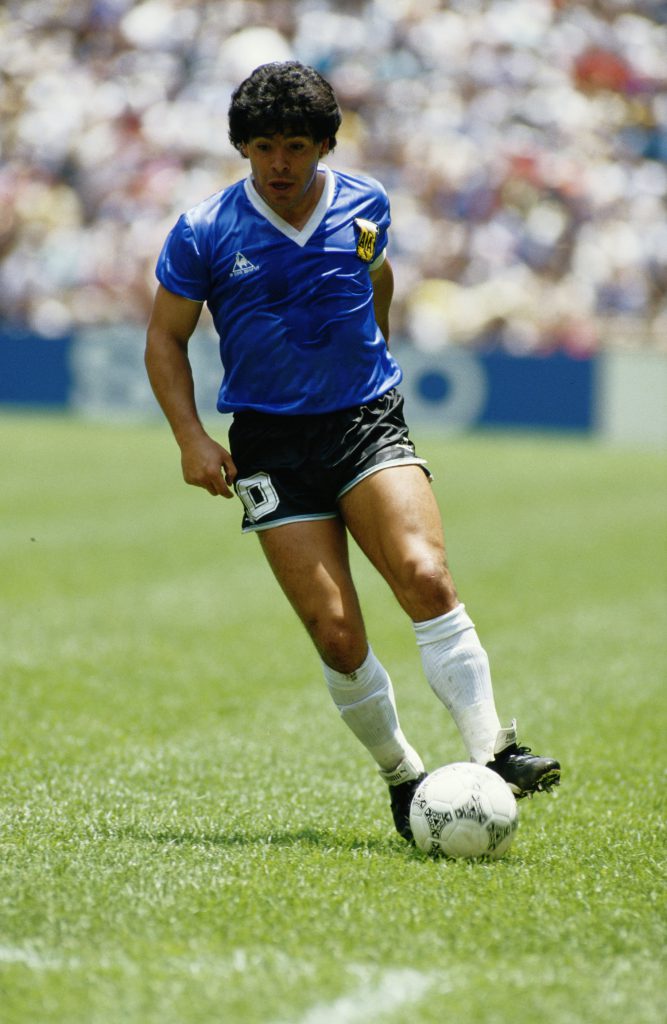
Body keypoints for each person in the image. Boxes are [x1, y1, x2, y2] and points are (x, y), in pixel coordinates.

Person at [145, 61, 560, 841]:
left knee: (425, 574)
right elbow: (164, 340)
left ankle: (494, 752)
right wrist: (191, 437)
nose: (279, 163)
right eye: (263, 146)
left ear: (325, 144)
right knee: (337, 636)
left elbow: (377, 276)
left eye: (296, 145)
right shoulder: (203, 230)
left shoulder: (365, 203)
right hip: (269, 445)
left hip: (364, 421)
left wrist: (378, 358)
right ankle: (405, 778)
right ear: (241, 147)